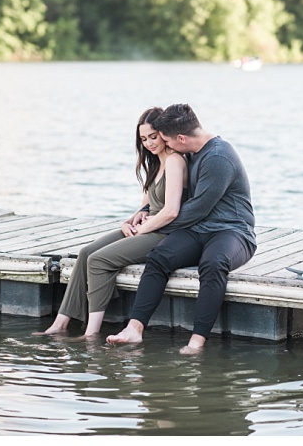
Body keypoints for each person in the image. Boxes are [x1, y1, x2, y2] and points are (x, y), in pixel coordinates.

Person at [107, 103, 256, 354]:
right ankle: (135, 328)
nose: (165, 146)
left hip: (233, 232)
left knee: (213, 263)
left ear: (182, 138)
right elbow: (166, 198)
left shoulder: (218, 156)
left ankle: (196, 342)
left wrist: (150, 225)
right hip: (200, 229)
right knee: (159, 257)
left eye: (167, 140)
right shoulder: (193, 151)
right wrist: (144, 214)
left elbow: (197, 208)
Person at [36, 107, 187, 338]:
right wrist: (129, 222)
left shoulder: (176, 161)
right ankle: (60, 323)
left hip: (164, 233)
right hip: (145, 228)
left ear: (164, 133)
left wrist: (143, 228)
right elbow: (146, 205)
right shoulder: (154, 163)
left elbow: (170, 211)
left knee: (98, 260)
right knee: (86, 252)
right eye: (144, 139)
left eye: (153, 137)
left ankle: (91, 334)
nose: (149, 143)